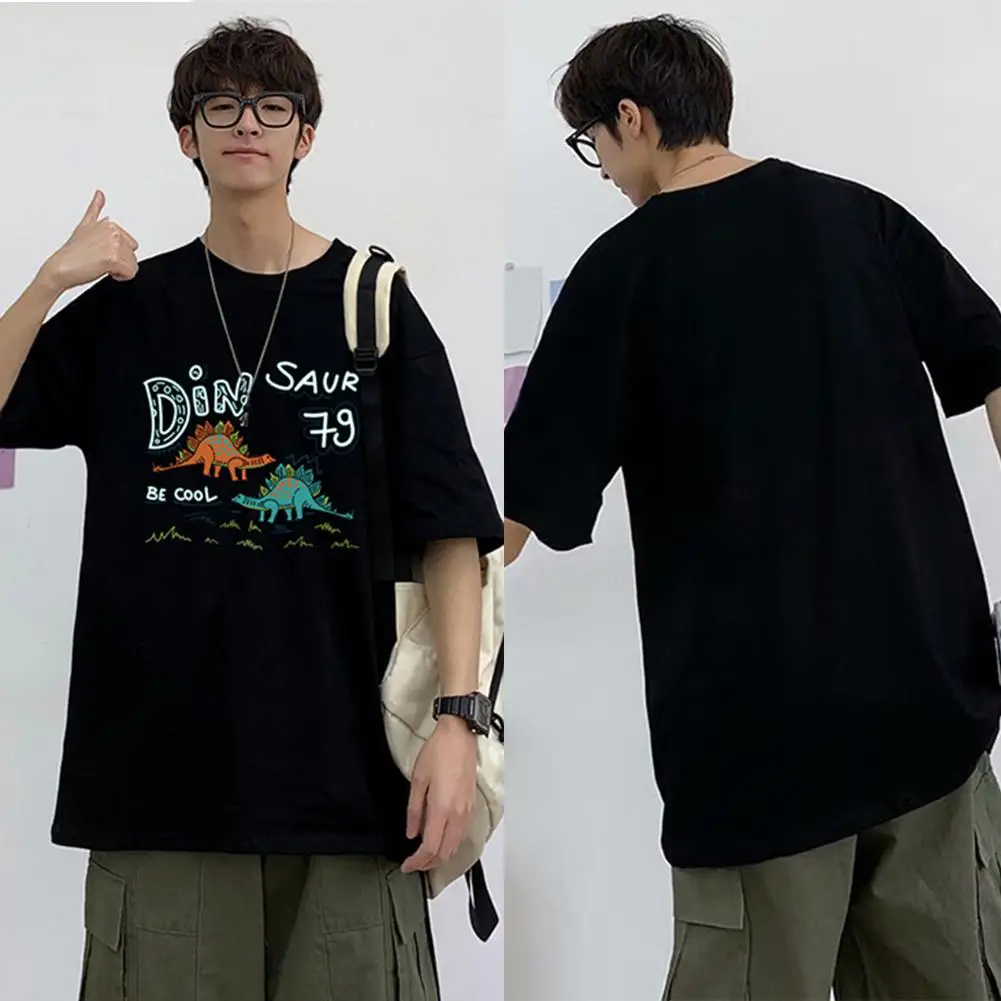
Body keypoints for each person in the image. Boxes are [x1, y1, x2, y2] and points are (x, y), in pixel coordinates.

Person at [0, 17, 501, 1001]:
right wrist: (52, 278)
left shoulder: (371, 303)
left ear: (304, 135)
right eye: (220, 106)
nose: (246, 125)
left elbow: (449, 530)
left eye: (272, 107)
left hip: (352, 783)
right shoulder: (129, 308)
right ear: (186, 135)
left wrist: (457, 721)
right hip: (157, 784)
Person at [504, 14, 1001, 1000]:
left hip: (758, 747)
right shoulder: (857, 217)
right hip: (928, 704)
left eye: (592, 142)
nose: (602, 170)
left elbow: (511, 519)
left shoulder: (619, 272)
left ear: (631, 119)